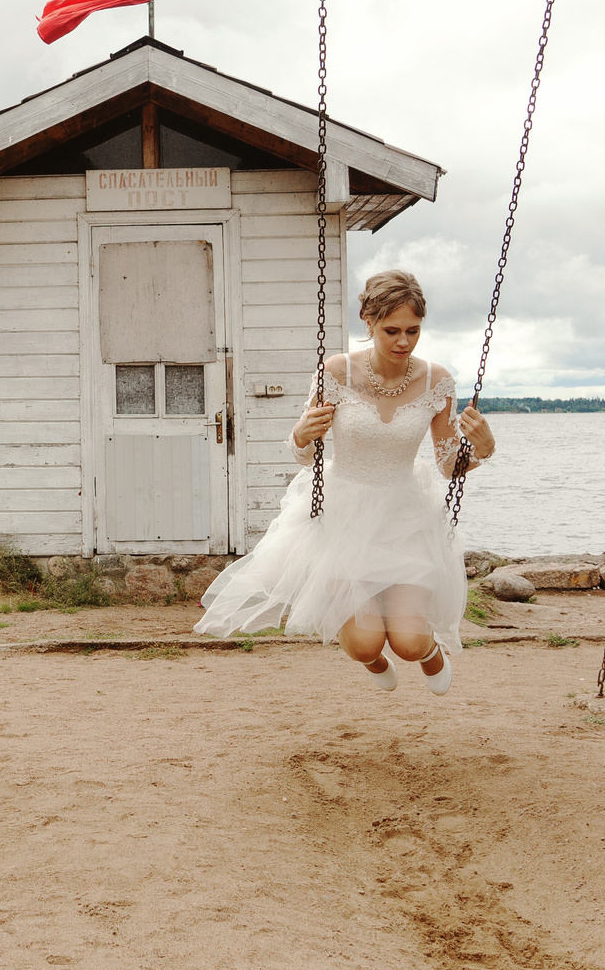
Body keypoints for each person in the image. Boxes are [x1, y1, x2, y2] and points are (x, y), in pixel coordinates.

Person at [193, 269, 494, 692]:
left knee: (408, 642)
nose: (403, 342)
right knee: (365, 644)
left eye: (412, 330)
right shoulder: (336, 372)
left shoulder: (436, 381)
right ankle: (371, 660)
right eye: (391, 331)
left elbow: (448, 464)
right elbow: (304, 452)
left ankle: (427, 652)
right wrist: (302, 433)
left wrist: (482, 449)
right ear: (368, 322)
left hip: (405, 517)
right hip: (342, 517)